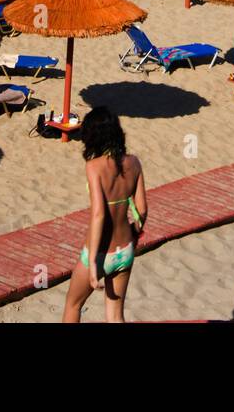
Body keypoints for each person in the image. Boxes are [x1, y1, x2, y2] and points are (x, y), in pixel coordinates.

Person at [63, 107, 146, 323]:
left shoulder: (94, 167)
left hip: (100, 253)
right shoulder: (134, 163)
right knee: (116, 316)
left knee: (73, 305)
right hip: (125, 250)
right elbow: (142, 210)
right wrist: (134, 237)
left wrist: (92, 264)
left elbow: (98, 214)